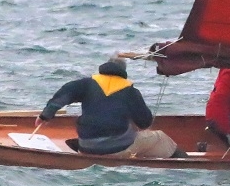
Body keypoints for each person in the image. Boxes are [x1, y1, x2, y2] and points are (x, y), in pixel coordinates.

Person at [39, 54, 184, 158]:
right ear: (123, 71)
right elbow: (145, 123)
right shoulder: (130, 91)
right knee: (160, 138)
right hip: (116, 150)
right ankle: (187, 163)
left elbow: (63, 95)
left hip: (86, 147)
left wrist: (45, 115)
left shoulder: (86, 83)